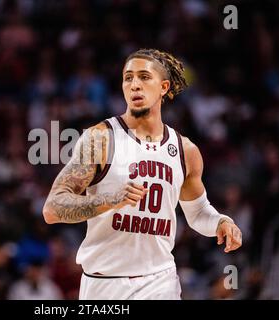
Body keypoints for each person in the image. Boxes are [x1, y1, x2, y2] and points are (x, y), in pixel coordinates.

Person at [42, 48, 242, 300]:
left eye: (144, 77)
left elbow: (198, 212)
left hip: (160, 281)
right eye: (128, 78)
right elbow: (52, 208)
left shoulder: (185, 150)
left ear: (163, 87)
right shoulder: (101, 139)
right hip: (103, 285)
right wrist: (109, 200)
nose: (134, 84)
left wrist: (221, 222)